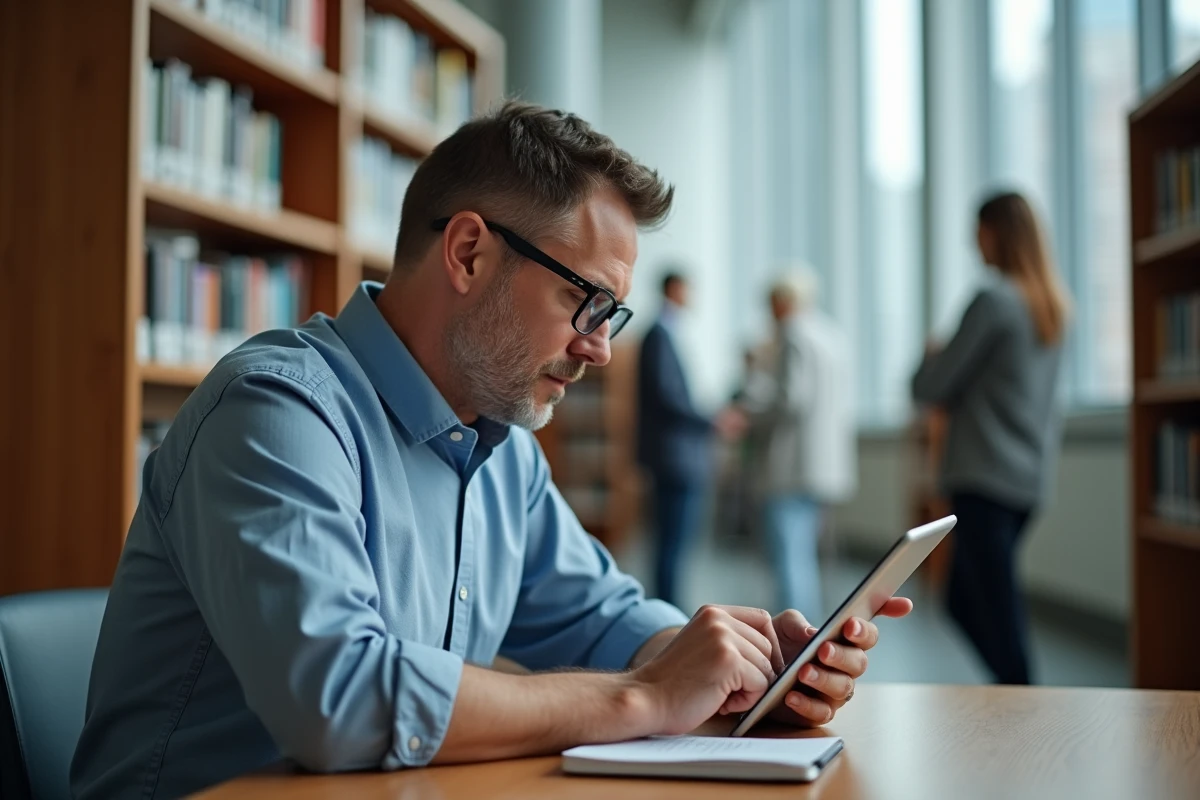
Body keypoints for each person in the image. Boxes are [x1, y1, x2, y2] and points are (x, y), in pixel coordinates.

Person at [71, 102, 911, 799]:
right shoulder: (275, 411)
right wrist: (644, 694)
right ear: (469, 252)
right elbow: (338, 700)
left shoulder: (500, 446)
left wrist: (744, 668)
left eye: (611, 317)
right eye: (586, 302)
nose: (600, 350)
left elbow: (601, 617)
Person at [911, 190, 1070, 685]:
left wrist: (932, 352)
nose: (971, 241)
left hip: (983, 478)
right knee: (964, 599)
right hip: (1027, 480)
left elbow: (930, 387)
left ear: (995, 231)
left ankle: (1022, 705)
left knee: (996, 612)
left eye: (977, 229)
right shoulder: (1053, 307)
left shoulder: (993, 301)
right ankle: (1012, 692)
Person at [734, 271, 856, 623]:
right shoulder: (832, 334)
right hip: (825, 465)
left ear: (784, 301)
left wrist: (748, 408)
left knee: (788, 557)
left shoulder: (793, 335)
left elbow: (790, 400)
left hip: (791, 466)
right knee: (806, 556)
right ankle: (809, 631)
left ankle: (792, 638)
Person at [636, 272, 739, 607]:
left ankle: (670, 611)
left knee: (676, 543)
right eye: (687, 289)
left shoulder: (672, 332)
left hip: (679, 455)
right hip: (674, 457)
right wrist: (712, 420)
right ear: (673, 289)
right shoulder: (659, 334)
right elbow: (669, 396)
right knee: (672, 542)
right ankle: (669, 615)